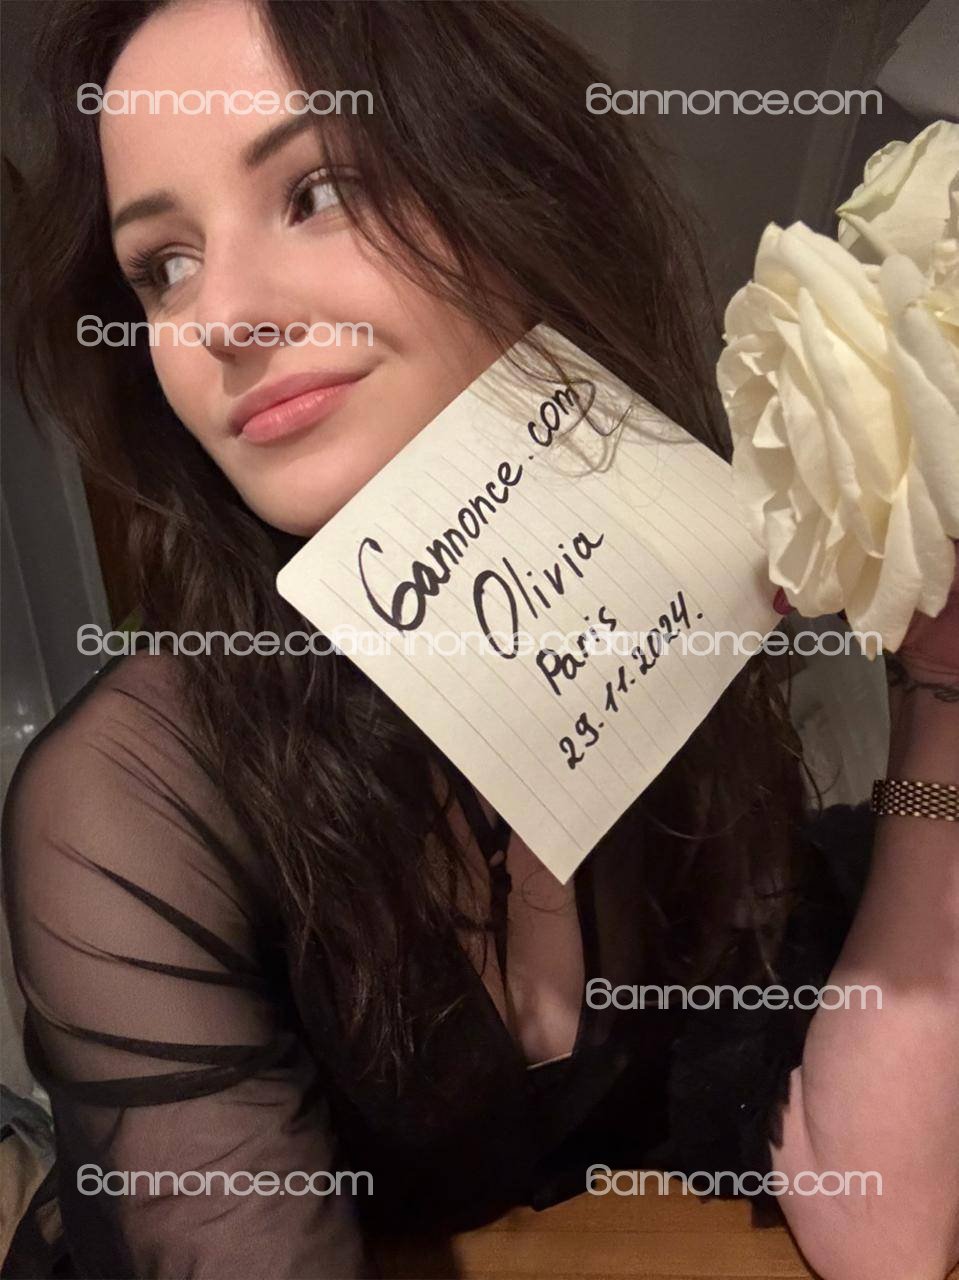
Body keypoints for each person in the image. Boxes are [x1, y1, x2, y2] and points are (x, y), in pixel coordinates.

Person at [3, 2, 958, 1278]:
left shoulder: (665, 595)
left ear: (508, 193)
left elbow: (878, 1211)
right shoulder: (129, 806)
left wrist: (940, 673)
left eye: (316, 191)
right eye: (162, 265)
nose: (219, 316)